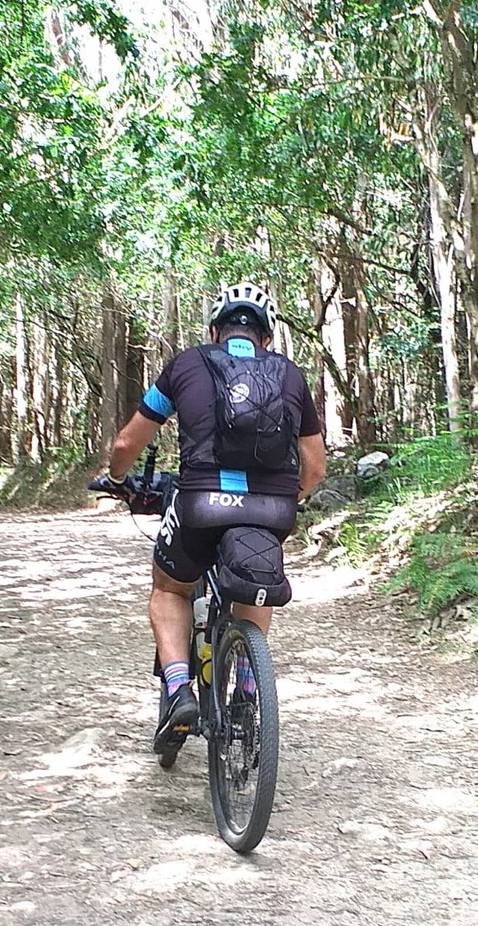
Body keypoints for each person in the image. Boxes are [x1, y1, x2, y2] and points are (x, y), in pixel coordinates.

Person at [98, 280, 326, 754]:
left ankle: (179, 689)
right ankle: (246, 685)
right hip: (272, 508)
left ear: (214, 331)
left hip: (200, 504)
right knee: (255, 577)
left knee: (170, 588)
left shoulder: (186, 365)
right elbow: (315, 466)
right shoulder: (289, 375)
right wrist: (290, 497)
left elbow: (126, 443)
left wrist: (117, 478)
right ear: (267, 337)